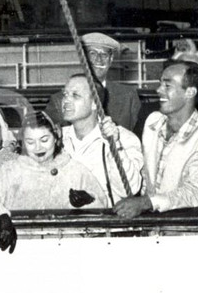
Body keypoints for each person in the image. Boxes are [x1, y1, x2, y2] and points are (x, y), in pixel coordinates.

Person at [0, 112, 107, 253]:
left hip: (64, 253)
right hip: (20, 253)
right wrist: (0, 217)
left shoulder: (75, 171)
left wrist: (87, 203)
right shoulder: (12, 171)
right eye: (30, 142)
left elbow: (101, 218)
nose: (38, 148)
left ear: (56, 137)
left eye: (44, 140)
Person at [115, 59, 198, 219]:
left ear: (190, 92)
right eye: (160, 83)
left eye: (167, 85)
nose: (159, 90)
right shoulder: (153, 122)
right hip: (150, 223)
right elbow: (144, 177)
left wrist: (147, 203)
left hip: (187, 226)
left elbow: (196, 192)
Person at [59, 74, 143, 206]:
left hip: (105, 217)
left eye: (75, 95)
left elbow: (129, 190)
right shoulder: (56, 139)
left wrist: (114, 145)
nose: (66, 101)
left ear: (95, 103)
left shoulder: (124, 138)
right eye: (65, 94)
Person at [45, 32, 142, 132]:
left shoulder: (128, 97)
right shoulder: (58, 101)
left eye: (104, 55)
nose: (99, 60)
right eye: (92, 53)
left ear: (111, 59)